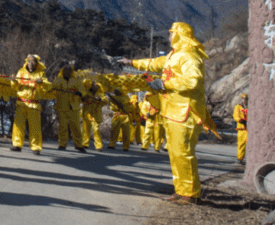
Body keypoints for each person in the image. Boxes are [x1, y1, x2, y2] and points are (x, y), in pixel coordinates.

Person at [119, 22, 209, 205]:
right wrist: (132, 63)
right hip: (172, 111)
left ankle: (192, 194)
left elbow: (192, 81)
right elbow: (154, 63)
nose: (169, 37)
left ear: (178, 35)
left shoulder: (190, 56)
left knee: (184, 154)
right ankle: (181, 190)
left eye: (171, 34)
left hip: (187, 112)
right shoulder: (172, 56)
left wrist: (164, 84)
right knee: (175, 154)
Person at [10, 54, 51, 154]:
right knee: (18, 125)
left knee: (35, 126)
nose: (31, 64)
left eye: (33, 62)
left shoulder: (40, 74)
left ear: (36, 63)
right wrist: (13, 81)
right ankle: (17, 145)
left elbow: (48, 86)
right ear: (26, 62)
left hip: (34, 104)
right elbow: (16, 87)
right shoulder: (21, 72)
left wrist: (41, 82)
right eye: (29, 61)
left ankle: (36, 147)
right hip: (21, 103)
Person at [51, 63, 90, 152]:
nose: (67, 72)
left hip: (74, 107)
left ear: (71, 72)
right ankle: (62, 144)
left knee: (76, 127)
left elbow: (83, 90)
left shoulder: (75, 80)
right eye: (65, 71)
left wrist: (80, 93)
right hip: (62, 107)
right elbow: (52, 87)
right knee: (62, 127)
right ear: (63, 71)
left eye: (69, 71)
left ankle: (78, 145)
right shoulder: (58, 80)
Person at [80, 83, 106, 151]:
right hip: (87, 113)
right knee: (85, 130)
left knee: (96, 130)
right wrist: (84, 97)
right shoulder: (86, 92)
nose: (95, 87)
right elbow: (81, 99)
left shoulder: (100, 94)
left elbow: (105, 101)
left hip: (96, 114)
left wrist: (100, 99)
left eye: (97, 86)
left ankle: (99, 146)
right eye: (94, 85)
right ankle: (85, 143)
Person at [233, 93, 248, 165]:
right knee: (241, 144)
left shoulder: (250, 107)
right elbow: (235, 115)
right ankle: (240, 158)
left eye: (246, 99)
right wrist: (240, 120)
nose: (244, 100)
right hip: (241, 128)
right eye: (243, 98)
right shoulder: (238, 107)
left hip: (249, 128)